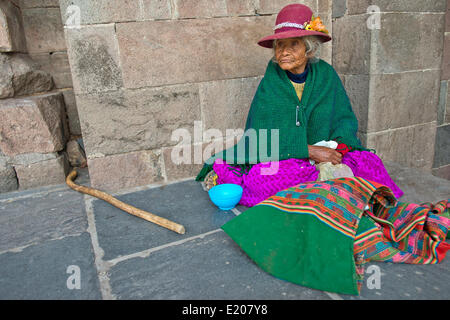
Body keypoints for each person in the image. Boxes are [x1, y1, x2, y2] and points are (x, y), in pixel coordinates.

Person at [196, 3, 403, 207]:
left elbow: (343, 120)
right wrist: (308, 151)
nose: (284, 52)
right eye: (280, 45)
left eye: (293, 44)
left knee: (368, 163)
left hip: (326, 152)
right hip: (288, 159)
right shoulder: (272, 81)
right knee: (261, 180)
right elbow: (261, 137)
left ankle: (324, 191)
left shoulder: (326, 75)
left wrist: (336, 151)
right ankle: (330, 193)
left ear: (309, 48)